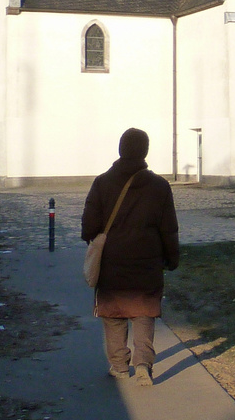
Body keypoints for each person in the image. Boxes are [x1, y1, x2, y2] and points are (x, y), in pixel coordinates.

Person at [81, 128, 179, 386]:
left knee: (114, 316)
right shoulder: (160, 186)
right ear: (145, 151)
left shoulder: (102, 183)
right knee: (144, 313)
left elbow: (88, 227)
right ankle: (143, 365)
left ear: (120, 149)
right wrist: (172, 258)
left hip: (112, 261)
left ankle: (119, 366)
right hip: (147, 262)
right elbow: (169, 228)